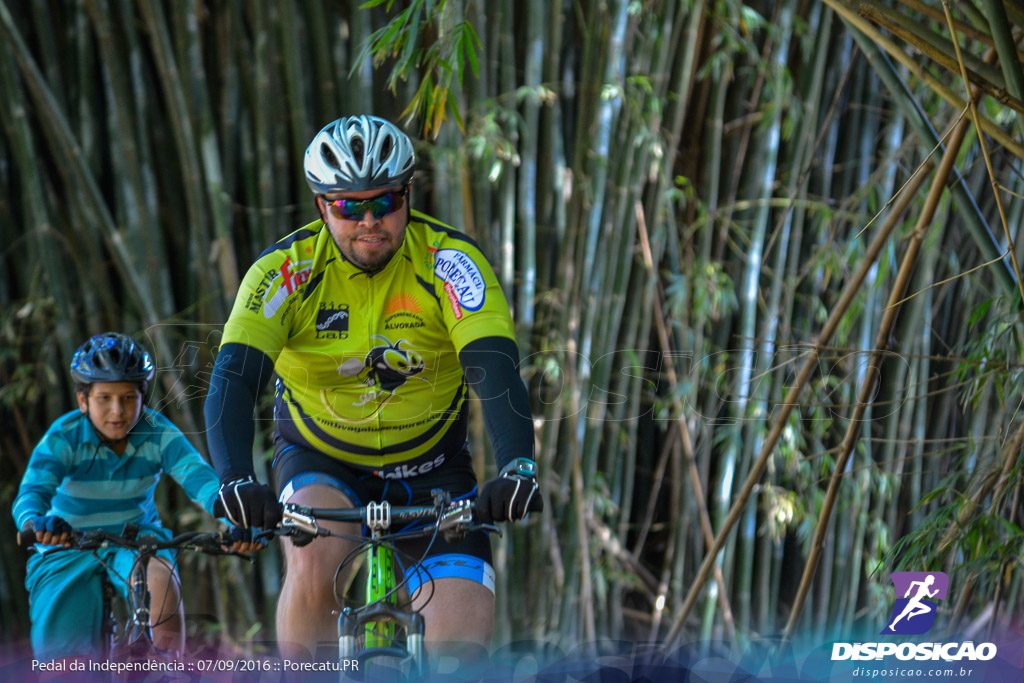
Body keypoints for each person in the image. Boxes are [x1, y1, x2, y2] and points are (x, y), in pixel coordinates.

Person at [204, 114, 542, 661]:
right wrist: (235, 479)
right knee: (312, 562)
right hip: (322, 459)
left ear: (409, 195)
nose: (368, 221)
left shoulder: (449, 263)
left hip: (434, 468)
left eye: (384, 202)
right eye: (347, 206)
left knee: (461, 650)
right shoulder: (283, 272)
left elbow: (495, 372)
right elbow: (234, 379)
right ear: (321, 206)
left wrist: (517, 467)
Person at [13, 332, 261, 662]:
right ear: (83, 400)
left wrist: (236, 519)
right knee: (62, 660)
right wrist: (37, 523)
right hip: (67, 542)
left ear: (143, 398)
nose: (117, 411)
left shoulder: (157, 432)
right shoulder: (63, 436)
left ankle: (165, 670)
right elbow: (32, 492)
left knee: (160, 583)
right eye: (104, 398)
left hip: (137, 539)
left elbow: (200, 481)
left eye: (129, 398)